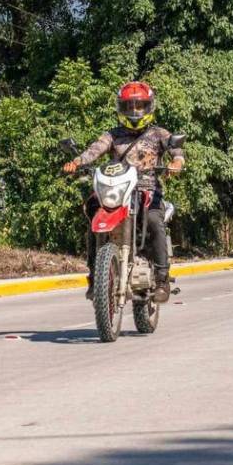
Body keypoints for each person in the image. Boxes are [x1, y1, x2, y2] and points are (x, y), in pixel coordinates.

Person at [63, 81, 185, 302]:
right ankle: (94, 274)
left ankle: (161, 279)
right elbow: (94, 150)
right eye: (130, 106)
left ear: (149, 107)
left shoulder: (158, 133)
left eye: (140, 106)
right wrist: (77, 161)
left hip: (148, 190)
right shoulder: (112, 135)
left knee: (156, 222)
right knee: (93, 213)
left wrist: (176, 162)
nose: (135, 111)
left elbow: (176, 150)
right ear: (121, 108)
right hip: (117, 190)